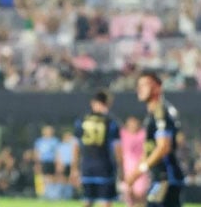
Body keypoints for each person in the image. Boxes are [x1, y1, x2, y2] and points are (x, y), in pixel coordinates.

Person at [126, 73, 185, 207]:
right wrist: (135, 173)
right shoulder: (152, 115)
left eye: (145, 85)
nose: (140, 89)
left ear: (158, 88)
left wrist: (139, 170)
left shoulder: (161, 112)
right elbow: (149, 150)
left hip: (167, 177)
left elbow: (163, 147)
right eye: (138, 85)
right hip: (160, 177)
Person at [73, 90, 123, 207]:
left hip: (86, 166)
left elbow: (76, 146)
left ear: (92, 102)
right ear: (108, 103)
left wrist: (74, 168)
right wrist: (121, 167)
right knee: (106, 201)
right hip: (105, 166)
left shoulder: (81, 120)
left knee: (87, 200)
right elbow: (117, 148)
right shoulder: (111, 121)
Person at [120, 116, 148, 207]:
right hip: (126, 169)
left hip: (140, 169)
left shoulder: (143, 135)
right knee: (128, 194)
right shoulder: (122, 134)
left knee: (140, 194)